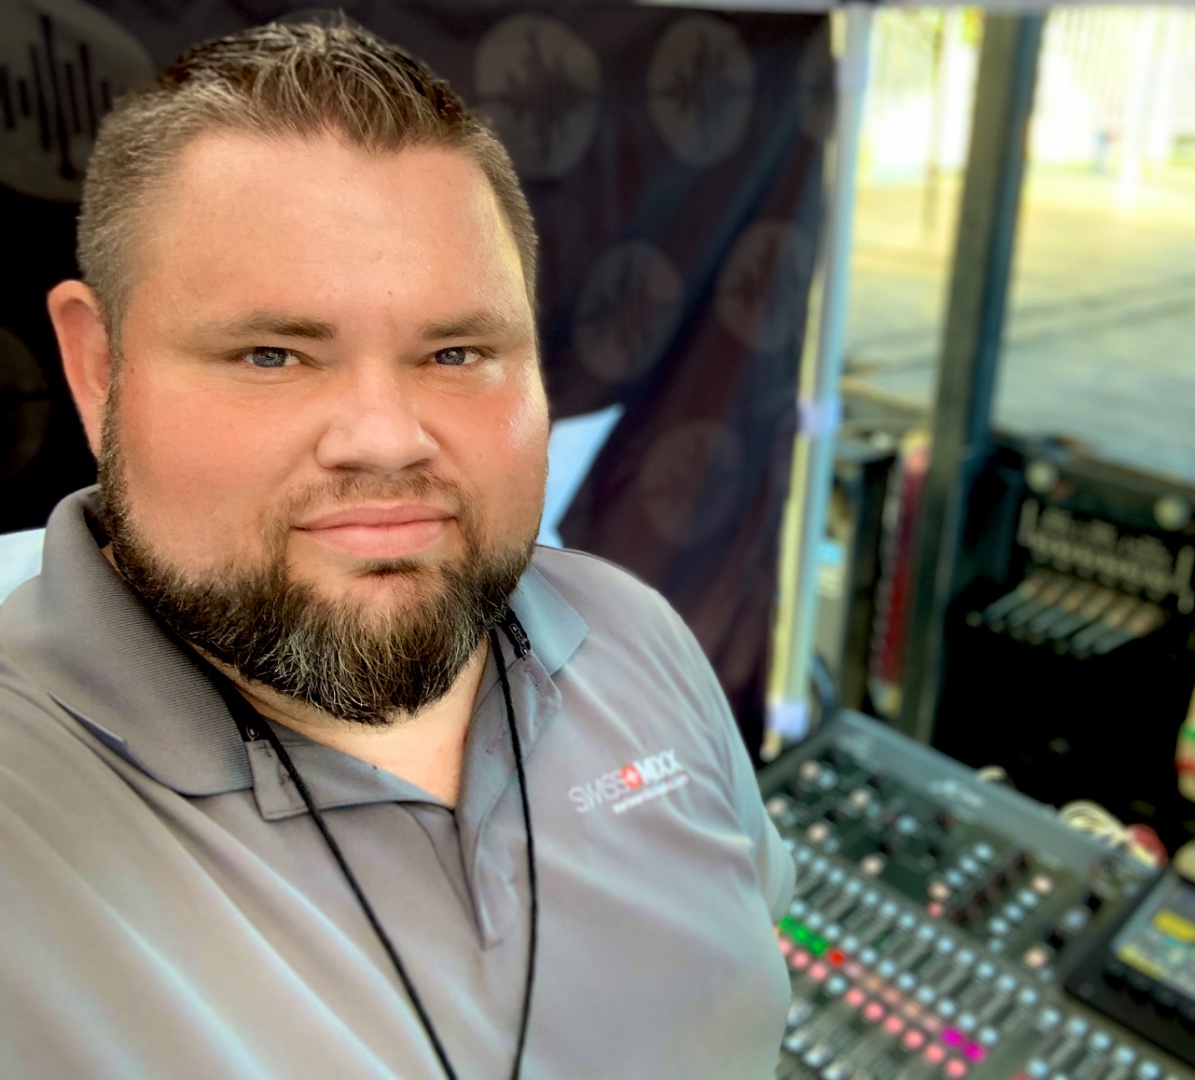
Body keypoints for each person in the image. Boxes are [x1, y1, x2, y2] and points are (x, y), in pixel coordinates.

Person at [0, 22, 794, 1079]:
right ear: (99, 367)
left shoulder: (632, 633)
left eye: (457, 351)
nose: (386, 438)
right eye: (272, 353)